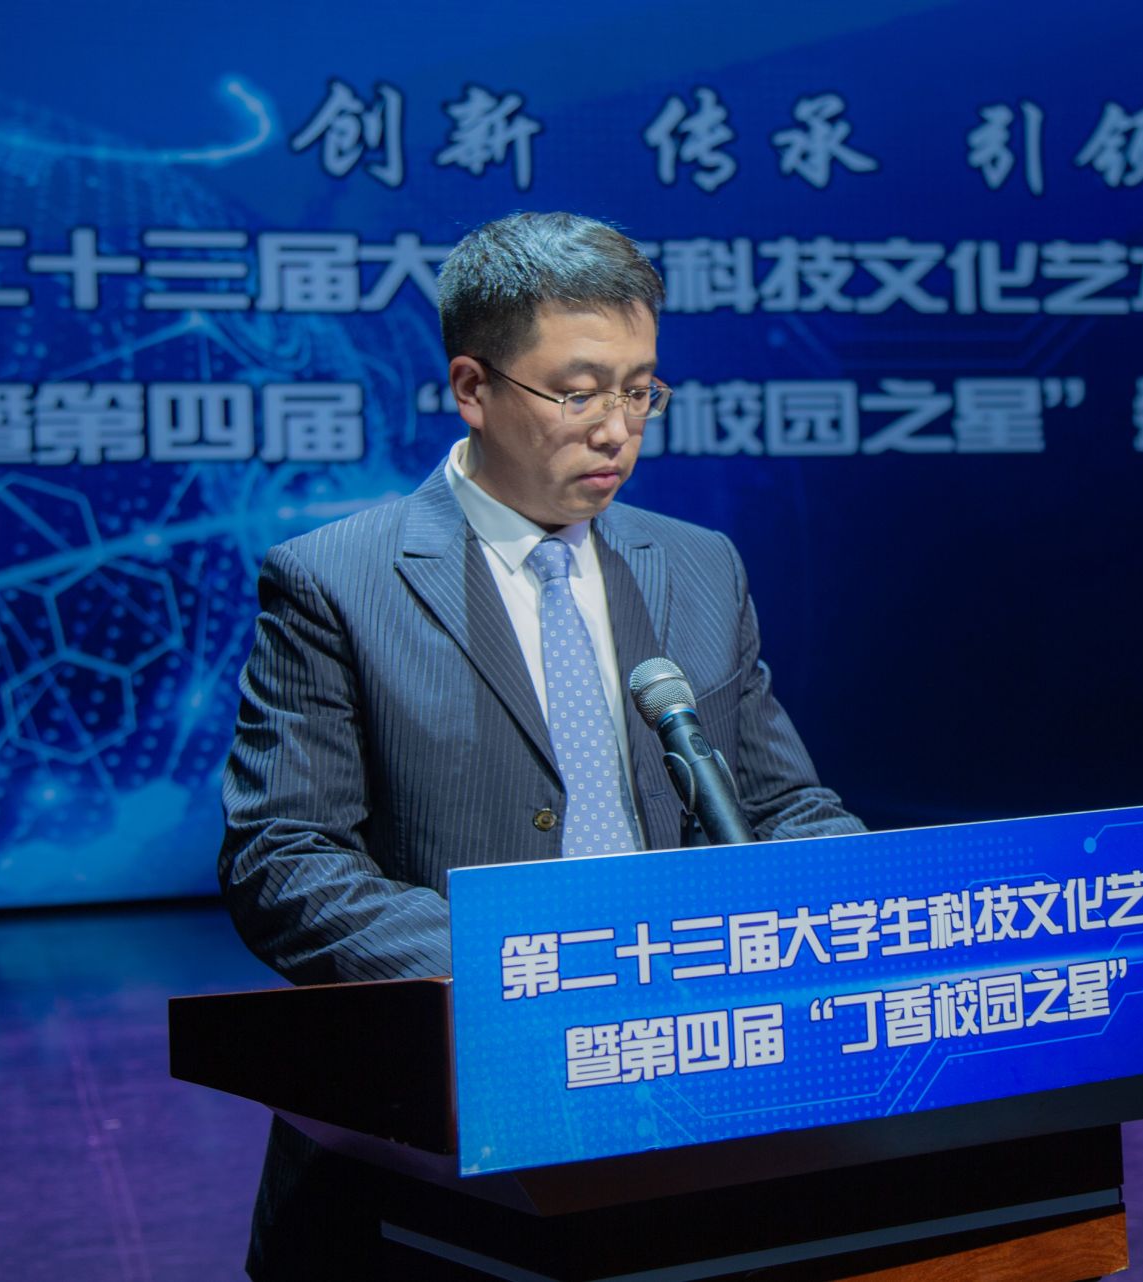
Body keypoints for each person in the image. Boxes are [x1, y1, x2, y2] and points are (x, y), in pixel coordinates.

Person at [217, 211, 864, 1278]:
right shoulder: (336, 581)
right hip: (435, 1145)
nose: (617, 430)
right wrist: (532, 968)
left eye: (639, 390)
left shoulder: (697, 566)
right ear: (473, 388)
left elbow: (780, 803)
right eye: (577, 393)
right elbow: (282, 858)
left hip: (696, 1115)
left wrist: (869, 910)